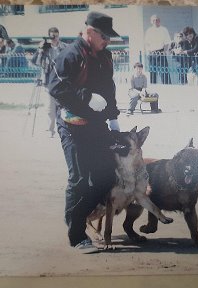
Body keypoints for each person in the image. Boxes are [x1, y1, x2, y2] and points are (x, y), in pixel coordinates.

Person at [48, 11, 121, 253]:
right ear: (89, 32)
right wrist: (86, 96)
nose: (107, 41)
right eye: (105, 37)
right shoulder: (70, 54)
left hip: (97, 124)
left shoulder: (106, 57)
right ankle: (77, 234)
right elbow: (56, 87)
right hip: (72, 125)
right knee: (79, 179)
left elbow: (109, 88)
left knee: (107, 176)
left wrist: (114, 120)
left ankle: (76, 218)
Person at [31, 27, 67, 137]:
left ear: (59, 35)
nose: (54, 38)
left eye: (56, 35)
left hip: (62, 81)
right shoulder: (45, 48)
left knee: (63, 107)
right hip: (48, 81)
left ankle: (64, 129)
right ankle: (50, 130)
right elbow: (35, 62)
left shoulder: (64, 47)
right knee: (50, 108)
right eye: (52, 36)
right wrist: (40, 50)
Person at [144, 14, 171, 84]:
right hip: (152, 53)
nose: (155, 21)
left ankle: (167, 86)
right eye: (154, 20)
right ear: (151, 22)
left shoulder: (164, 29)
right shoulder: (149, 31)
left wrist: (164, 52)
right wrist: (148, 53)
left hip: (161, 52)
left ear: (159, 21)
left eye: (157, 20)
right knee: (152, 71)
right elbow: (146, 43)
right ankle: (153, 86)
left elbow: (167, 42)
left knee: (164, 71)